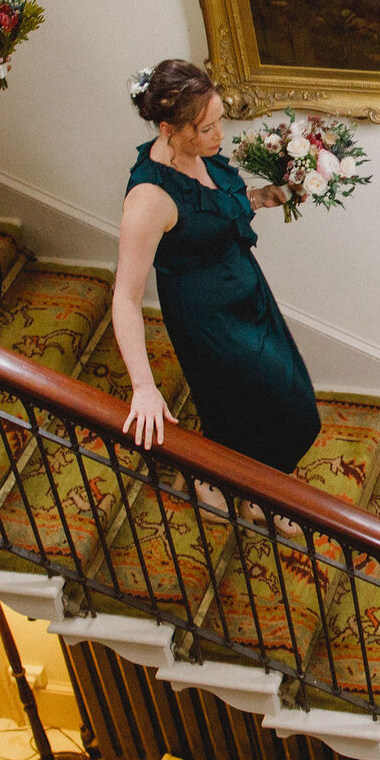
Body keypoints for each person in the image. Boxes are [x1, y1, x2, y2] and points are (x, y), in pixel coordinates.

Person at [112, 59, 319, 472]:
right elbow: (126, 299)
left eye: (218, 122)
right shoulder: (149, 200)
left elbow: (213, 214)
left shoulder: (204, 155)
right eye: (206, 129)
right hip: (208, 319)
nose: (219, 137)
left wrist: (262, 198)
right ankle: (244, 486)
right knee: (253, 404)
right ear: (169, 129)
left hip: (249, 293)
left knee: (291, 396)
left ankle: (262, 479)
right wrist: (144, 387)